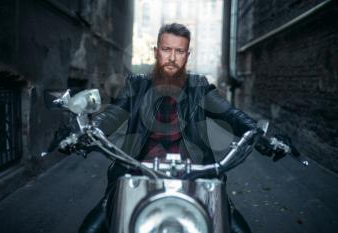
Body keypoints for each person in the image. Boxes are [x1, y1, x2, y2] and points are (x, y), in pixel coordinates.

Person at [78, 23, 298, 233]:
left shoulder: (198, 87)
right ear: (156, 52)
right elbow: (111, 114)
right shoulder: (136, 85)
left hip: (196, 174)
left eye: (179, 51)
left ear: (187, 55)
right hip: (135, 171)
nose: (172, 58)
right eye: (166, 49)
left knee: (235, 227)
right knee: (92, 227)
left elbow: (231, 115)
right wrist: (86, 131)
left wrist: (263, 137)